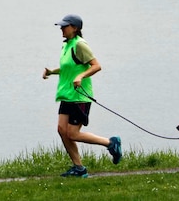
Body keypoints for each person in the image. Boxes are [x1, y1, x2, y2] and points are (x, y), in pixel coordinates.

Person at [43, 14, 122, 177]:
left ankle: (110, 143)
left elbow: (96, 66)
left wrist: (81, 77)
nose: (61, 29)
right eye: (61, 26)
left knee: (72, 133)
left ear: (75, 28)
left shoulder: (80, 44)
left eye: (65, 26)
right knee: (61, 130)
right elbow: (69, 68)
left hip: (79, 96)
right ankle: (79, 168)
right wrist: (52, 71)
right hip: (66, 95)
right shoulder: (67, 45)